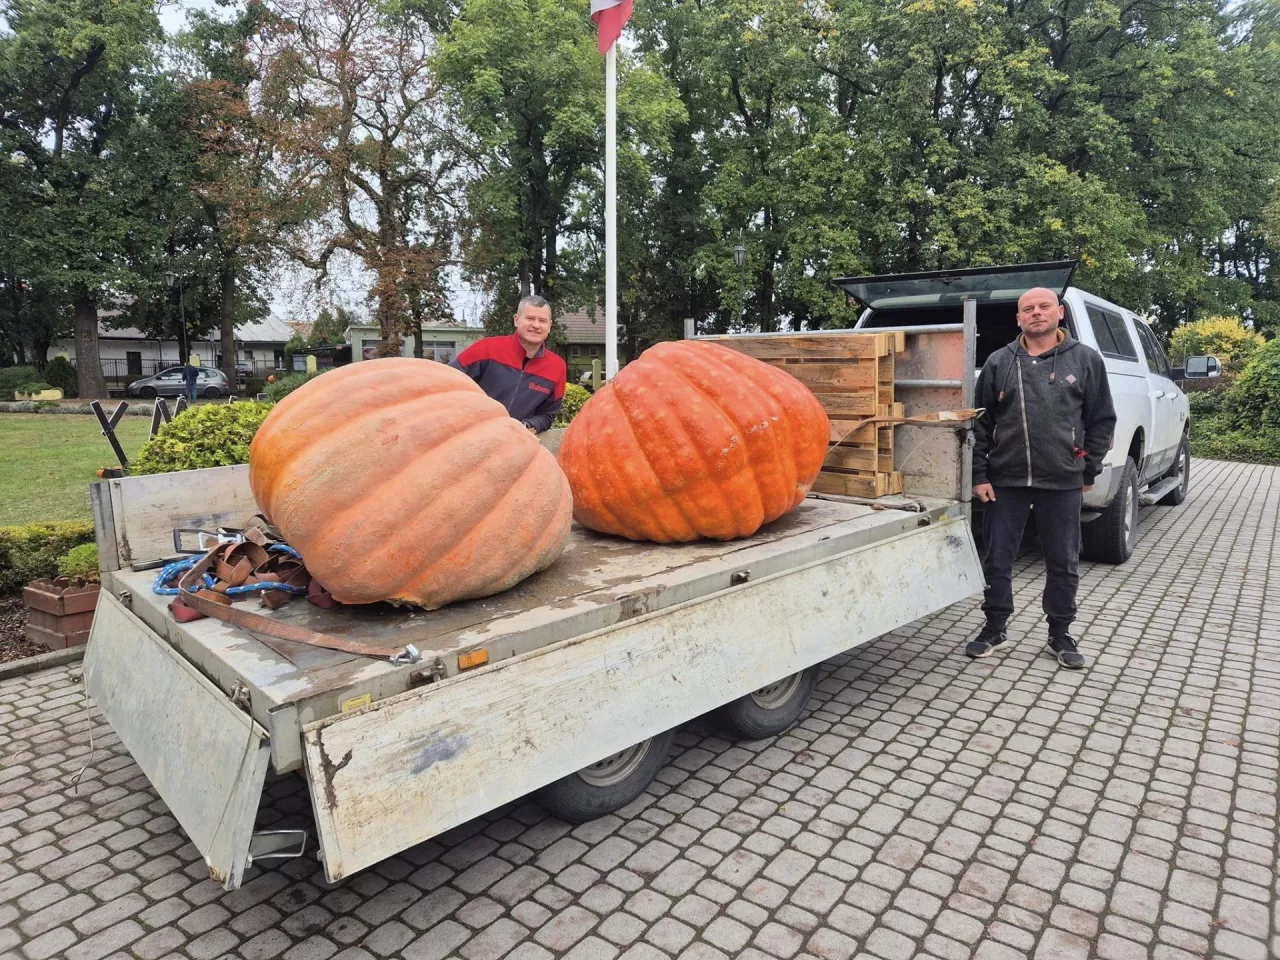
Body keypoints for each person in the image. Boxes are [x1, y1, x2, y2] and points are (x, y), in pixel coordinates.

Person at [967, 287, 1117, 669]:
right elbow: (981, 423)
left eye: (1043, 306)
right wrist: (979, 475)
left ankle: (1060, 632)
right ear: (1018, 319)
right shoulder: (1000, 362)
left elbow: (1101, 420)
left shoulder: (1085, 361)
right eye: (1027, 309)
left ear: (1060, 313)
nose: (1036, 313)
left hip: (1063, 480)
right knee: (997, 557)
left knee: (1063, 560)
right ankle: (995, 626)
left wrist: (1089, 468)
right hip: (1005, 480)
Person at [450, 295, 566, 434]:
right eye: (530, 318)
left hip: (514, 443)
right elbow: (448, 380)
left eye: (542, 321)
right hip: (469, 434)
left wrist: (527, 426)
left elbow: (547, 415)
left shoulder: (557, 367)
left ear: (549, 326)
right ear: (516, 320)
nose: (536, 325)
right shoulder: (487, 349)